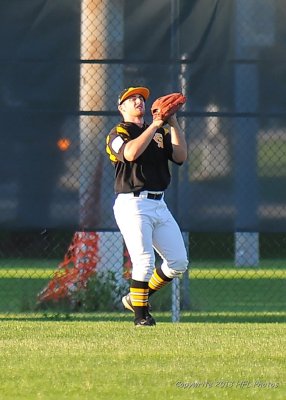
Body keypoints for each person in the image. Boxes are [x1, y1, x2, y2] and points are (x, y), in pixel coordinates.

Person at [106, 86, 189, 327]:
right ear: (121, 107)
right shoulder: (117, 133)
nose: (138, 101)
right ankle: (141, 317)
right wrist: (154, 125)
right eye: (131, 99)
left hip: (159, 204)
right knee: (144, 261)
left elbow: (181, 156)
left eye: (141, 98)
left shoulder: (161, 132)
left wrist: (172, 122)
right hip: (133, 204)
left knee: (178, 263)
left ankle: (135, 298)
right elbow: (130, 153)